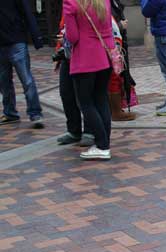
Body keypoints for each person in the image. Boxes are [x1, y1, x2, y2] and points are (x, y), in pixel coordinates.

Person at [64, 0, 114, 160]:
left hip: (85, 58)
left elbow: (72, 37)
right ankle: (104, 143)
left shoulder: (71, 3)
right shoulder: (104, 1)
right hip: (106, 54)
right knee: (101, 100)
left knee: (85, 102)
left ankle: (102, 145)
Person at [0, 0, 44, 128]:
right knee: (3, 83)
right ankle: (10, 113)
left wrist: (37, 38)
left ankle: (35, 113)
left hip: (16, 41)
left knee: (27, 80)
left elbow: (27, 13)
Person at [55, 16, 95, 146]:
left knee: (84, 95)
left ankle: (90, 131)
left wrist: (67, 37)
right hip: (67, 54)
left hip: (83, 53)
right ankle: (74, 130)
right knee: (66, 93)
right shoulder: (67, 5)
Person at [109, 0, 136, 121]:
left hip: (117, 45)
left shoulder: (115, 3)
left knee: (118, 76)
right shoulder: (103, 4)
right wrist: (120, 26)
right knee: (113, 77)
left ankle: (117, 109)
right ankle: (114, 111)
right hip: (110, 46)